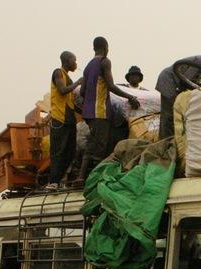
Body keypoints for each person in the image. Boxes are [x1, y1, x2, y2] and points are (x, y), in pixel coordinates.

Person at [77, 36, 140, 184]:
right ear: (106, 48)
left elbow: (82, 92)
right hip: (100, 111)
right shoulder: (104, 61)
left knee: (91, 144)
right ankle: (95, 178)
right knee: (100, 146)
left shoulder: (88, 66)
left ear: (94, 48)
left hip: (88, 113)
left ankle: (81, 176)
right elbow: (111, 86)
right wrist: (129, 97)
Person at [47, 51, 83, 190]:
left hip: (69, 120)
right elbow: (62, 90)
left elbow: (72, 102)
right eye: (74, 60)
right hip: (59, 119)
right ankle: (53, 181)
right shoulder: (58, 73)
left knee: (70, 151)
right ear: (67, 61)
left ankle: (61, 180)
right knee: (58, 151)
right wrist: (78, 83)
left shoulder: (68, 77)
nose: (76, 63)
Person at [155, 55, 201, 140]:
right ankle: (166, 143)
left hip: (179, 85)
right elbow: (186, 79)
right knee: (169, 116)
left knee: (180, 116)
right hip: (169, 81)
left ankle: (176, 141)